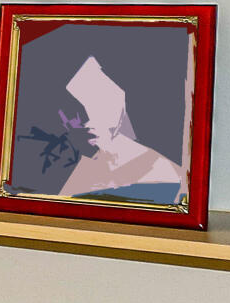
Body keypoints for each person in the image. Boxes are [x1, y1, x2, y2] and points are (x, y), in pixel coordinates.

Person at [19, 52, 185, 200]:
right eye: (75, 111)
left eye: (95, 106)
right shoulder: (86, 169)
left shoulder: (165, 174)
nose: (85, 122)